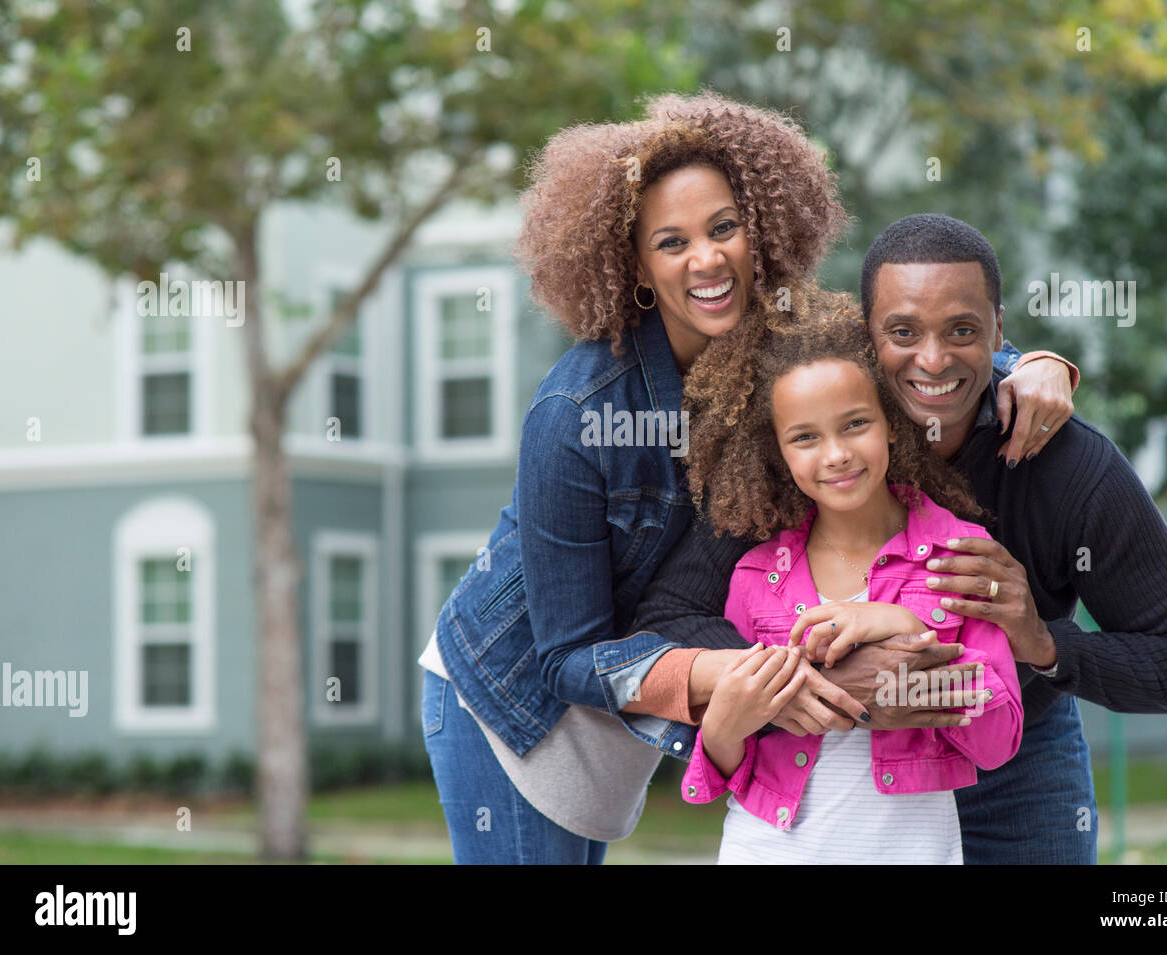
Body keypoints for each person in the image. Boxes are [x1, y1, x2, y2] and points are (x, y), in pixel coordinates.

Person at [420, 93, 1077, 864]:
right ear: (635, 264)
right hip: (514, 702)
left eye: (724, 228)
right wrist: (753, 674)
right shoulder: (575, 413)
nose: (707, 259)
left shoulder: (780, 340)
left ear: (758, 229)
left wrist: (1026, 365)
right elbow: (567, 654)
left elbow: (889, 355)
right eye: (672, 242)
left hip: (646, 691)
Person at [626, 213, 1167, 864]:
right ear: (866, 333)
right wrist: (820, 675)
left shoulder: (1066, 464)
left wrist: (1045, 642)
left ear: (999, 333)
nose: (933, 360)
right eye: (903, 331)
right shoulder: (797, 464)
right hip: (841, 781)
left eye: (963, 331)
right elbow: (669, 619)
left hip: (1014, 760)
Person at [678, 289, 1023, 864]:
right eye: (806, 437)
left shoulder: (960, 555)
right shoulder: (754, 577)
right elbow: (725, 765)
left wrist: (904, 624)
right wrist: (722, 728)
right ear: (779, 452)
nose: (835, 454)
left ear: (891, 422)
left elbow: (998, 740)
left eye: (855, 423)